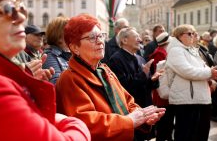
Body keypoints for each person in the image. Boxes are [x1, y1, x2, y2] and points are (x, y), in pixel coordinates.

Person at [0, 0, 90, 140]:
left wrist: (25, 84)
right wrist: (74, 123)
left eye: (22, 9)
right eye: (8, 9)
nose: (22, 17)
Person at [56, 13, 166, 141]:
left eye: (100, 35)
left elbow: (127, 102)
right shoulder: (69, 79)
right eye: (92, 37)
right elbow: (86, 123)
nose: (100, 41)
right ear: (75, 48)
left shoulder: (104, 70)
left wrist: (144, 117)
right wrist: (130, 121)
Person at [166, 24, 217, 141]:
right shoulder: (176, 51)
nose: (192, 36)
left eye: (193, 33)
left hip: (200, 98)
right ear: (179, 36)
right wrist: (209, 73)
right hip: (186, 100)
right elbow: (187, 71)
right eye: (189, 33)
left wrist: (210, 76)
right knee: (186, 134)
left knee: (201, 133)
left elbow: (201, 69)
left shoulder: (192, 50)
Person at [150, 32, 174, 141]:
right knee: (164, 124)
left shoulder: (159, 52)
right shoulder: (160, 54)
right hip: (162, 93)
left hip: (161, 92)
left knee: (166, 124)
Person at [42, 16, 71, 84]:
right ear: (58, 36)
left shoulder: (69, 54)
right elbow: (56, 84)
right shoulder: (49, 56)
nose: (73, 35)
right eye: (68, 32)